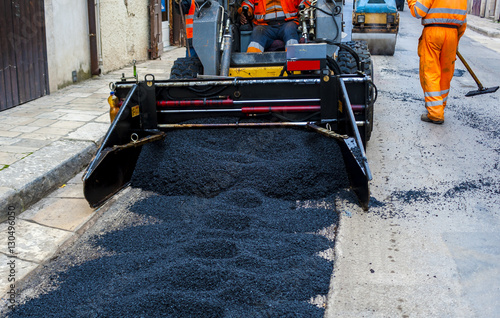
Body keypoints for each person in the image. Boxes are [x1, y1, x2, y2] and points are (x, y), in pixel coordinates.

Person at [408, 0, 467, 124]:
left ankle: (435, 113)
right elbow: (463, 22)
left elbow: (418, 11)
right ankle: (440, 107)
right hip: (453, 34)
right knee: (446, 74)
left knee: (430, 72)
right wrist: (455, 39)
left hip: (433, 33)